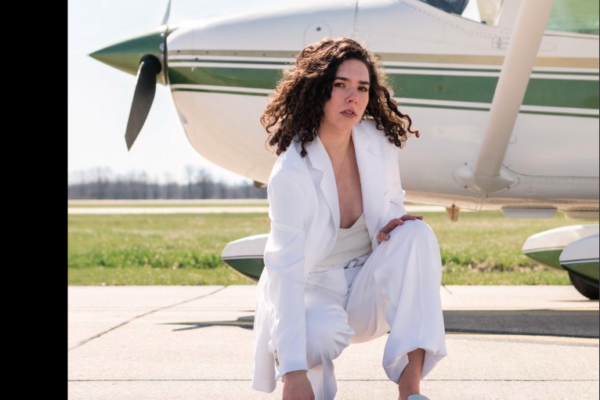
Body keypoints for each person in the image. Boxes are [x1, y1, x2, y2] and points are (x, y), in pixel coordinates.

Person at [252, 37, 447, 400]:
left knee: (418, 234)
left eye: (362, 88)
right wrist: (292, 373)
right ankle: (309, 388)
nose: (352, 98)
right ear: (316, 91)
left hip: (367, 287)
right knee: (319, 332)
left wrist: (395, 223)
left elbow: (393, 207)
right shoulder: (291, 173)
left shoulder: (378, 141)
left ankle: (411, 391)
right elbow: (287, 275)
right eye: (339, 85)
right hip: (314, 289)